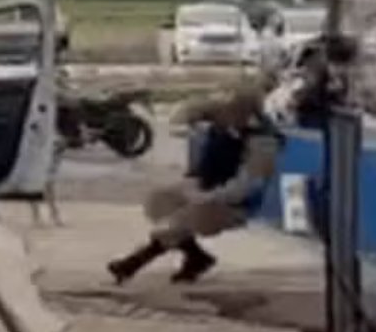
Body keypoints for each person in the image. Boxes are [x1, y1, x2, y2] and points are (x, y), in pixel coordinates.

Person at [107, 87, 282, 285]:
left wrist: (209, 196)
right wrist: (193, 187)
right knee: (160, 201)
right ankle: (197, 258)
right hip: (205, 189)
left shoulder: (262, 141)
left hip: (233, 204)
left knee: (176, 224)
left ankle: (133, 263)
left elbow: (247, 185)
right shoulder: (223, 128)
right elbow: (181, 118)